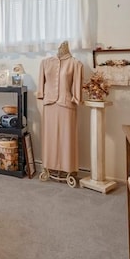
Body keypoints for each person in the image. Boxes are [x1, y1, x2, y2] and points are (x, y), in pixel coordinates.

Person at [36, 41, 83, 175]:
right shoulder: (45, 62)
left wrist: (76, 98)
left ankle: (68, 168)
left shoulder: (75, 64)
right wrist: (41, 94)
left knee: (67, 138)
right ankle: (49, 166)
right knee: (49, 137)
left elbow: (77, 87)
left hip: (67, 104)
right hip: (49, 104)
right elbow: (41, 84)